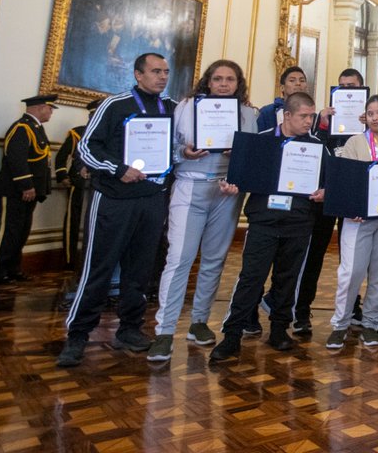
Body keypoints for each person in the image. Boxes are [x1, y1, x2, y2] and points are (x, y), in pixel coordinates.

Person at [57, 53, 176, 368]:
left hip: (152, 200)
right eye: (155, 71)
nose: (162, 77)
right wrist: (117, 169)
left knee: (139, 271)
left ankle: (129, 329)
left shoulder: (173, 108)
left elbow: (177, 148)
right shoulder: (114, 105)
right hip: (113, 198)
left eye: (166, 72)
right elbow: (86, 148)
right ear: (138, 74)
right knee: (99, 268)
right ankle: (78, 336)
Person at [147, 60, 258, 363]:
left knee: (214, 260)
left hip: (226, 193)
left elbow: (253, 158)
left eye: (230, 79)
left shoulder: (249, 114)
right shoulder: (185, 106)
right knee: (179, 259)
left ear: (238, 84)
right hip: (190, 186)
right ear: (208, 82)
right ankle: (164, 331)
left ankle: (199, 321)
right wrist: (184, 152)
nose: (223, 84)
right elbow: (167, 145)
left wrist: (239, 166)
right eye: (218, 79)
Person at [210, 92, 327, 362]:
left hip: (298, 222)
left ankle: (278, 329)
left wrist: (324, 192)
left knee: (287, 279)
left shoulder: (317, 147)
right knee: (251, 278)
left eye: (312, 116)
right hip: (263, 221)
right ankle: (232, 335)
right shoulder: (260, 141)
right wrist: (231, 185)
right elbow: (237, 177)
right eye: (303, 116)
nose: (309, 121)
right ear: (287, 115)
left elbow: (328, 183)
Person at [284, 67, 366, 336]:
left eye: (353, 87)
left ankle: (353, 307)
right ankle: (302, 311)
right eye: (342, 86)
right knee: (315, 254)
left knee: (352, 256)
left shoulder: (369, 118)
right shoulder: (321, 121)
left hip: (354, 195)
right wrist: (322, 123)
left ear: (362, 89)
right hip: (323, 197)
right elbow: (310, 150)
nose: (347, 90)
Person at [326, 95, 378, 349]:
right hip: (358, 218)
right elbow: (348, 180)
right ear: (366, 116)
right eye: (371, 113)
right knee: (350, 272)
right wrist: (352, 207)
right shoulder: (354, 143)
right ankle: (340, 325)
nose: (375, 117)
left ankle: (371, 324)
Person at [0, 94, 57, 285]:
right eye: (49, 108)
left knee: (21, 231)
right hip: (13, 190)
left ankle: (13, 268)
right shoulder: (21, 128)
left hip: (29, 191)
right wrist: (26, 186)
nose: (51, 112)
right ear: (39, 107)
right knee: (9, 231)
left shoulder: (36, 129)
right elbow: (16, 159)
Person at [54, 99, 100, 271]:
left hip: (100, 184)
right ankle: (69, 258)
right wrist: (62, 175)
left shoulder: (109, 134)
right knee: (73, 220)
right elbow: (61, 157)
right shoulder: (77, 133)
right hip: (78, 182)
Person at [257, 66, 307, 131]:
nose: (298, 83)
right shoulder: (267, 112)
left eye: (302, 81)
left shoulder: (312, 115)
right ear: (282, 87)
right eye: (292, 80)